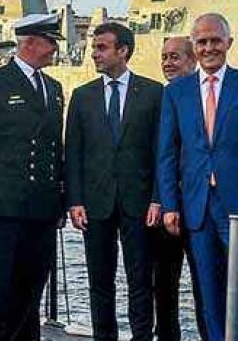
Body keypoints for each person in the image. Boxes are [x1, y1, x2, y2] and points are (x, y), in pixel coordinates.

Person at [157, 13, 238, 341]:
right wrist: (170, 205)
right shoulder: (176, 92)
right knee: (208, 286)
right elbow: (167, 154)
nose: (209, 48)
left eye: (215, 41)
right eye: (202, 42)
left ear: (229, 43)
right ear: (194, 46)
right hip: (196, 206)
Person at [0, 13, 67, 341]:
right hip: (3, 205)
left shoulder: (54, 88)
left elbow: (54, 147)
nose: (54, 49)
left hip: (42, 207)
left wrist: (61, 200)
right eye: (50, 42)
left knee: (32, 285)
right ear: (30, 42)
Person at [66, 22, 165, 341]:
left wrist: (157, 198)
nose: (94, 54)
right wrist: (75, 201)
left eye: (101, 48)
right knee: (100, 281)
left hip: (140, 203)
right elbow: (74, 153)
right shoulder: (82, 97)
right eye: (94, 47)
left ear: (123, 51)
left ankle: (141, 337)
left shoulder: (153, 93)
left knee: (141, 280)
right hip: (96, 203)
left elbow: (161, 152)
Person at [154, 36, 208, 341]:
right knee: (163, 286)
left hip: (200, 208)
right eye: (164, 57)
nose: (168, 63)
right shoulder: (158, 98)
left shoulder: (208, 97)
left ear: (193, 60)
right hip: (165, 208)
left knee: (206, 284)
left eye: (175, 57)